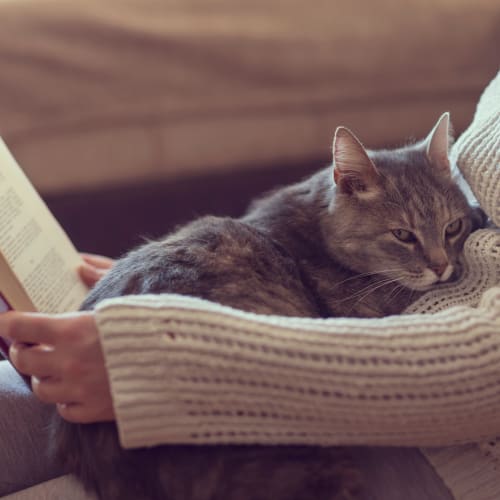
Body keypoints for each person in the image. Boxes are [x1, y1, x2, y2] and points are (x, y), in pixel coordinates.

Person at [0, 71, 499, 499]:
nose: (440, 263)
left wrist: (183, 355)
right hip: (294, 358)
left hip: (422, 435)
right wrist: (175, 282)